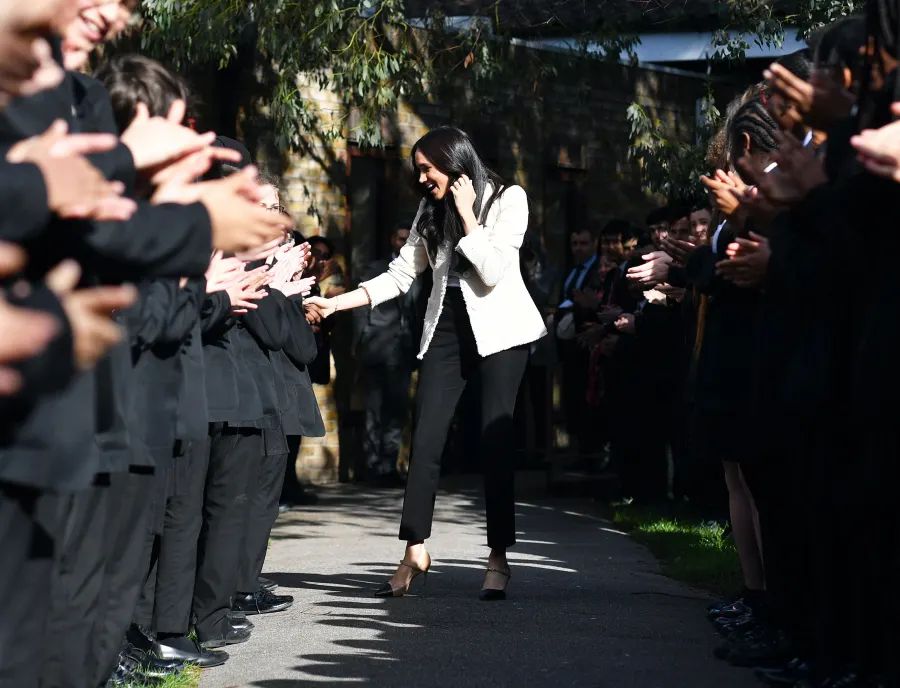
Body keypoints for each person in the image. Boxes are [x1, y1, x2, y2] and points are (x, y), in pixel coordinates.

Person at [308, 126, 546, 600]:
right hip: (446, 332)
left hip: (503, 334)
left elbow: (495, 270)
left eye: (426, 168)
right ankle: (415, 549)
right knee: (427, 438)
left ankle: (498, 556)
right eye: (417, 171)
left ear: (454, 162)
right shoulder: (428, 210)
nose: (421, 179)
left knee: (493, 444)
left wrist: (467, 215)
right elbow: (400, 274)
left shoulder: (508, 199)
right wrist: (340, 303)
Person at [354, 225, 420, 487]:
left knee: (396, 411)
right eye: (401, 238)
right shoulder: (375, 269)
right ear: (393, 239)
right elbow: (360, 309)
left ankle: (388, 466)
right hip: (376, 347)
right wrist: (360, 341)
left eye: (408, 239)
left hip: (403, 351)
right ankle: (370, 467)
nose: (404, 243)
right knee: (374, 410)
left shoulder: (419, 271)